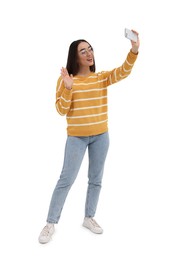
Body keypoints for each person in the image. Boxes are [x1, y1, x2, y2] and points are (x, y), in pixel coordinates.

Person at [38, 30, 140, 244]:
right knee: (66, 180)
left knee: (96, 180)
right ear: (75, 57)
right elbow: (61, 110)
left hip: (101, 136)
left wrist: (134, 50)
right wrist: (67, 88)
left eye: (90, 49)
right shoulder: (66, 79)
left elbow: (123, 72)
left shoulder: (101, 78)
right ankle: (50, 223)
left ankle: (89, 217)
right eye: (83, 51)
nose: (88, 53)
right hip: (76, 138)